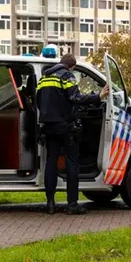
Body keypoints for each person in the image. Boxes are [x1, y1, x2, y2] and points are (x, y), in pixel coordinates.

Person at [37, 54, 109, 215]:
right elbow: (75, 97)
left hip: (48, 126)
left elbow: (38, 101)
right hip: (65, 126)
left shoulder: (44, 77)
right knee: (71, 163)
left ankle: (50, 204)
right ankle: (72, 204)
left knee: (51, 163)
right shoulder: (66, 75)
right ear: (72, 66)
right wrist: (98, 96)